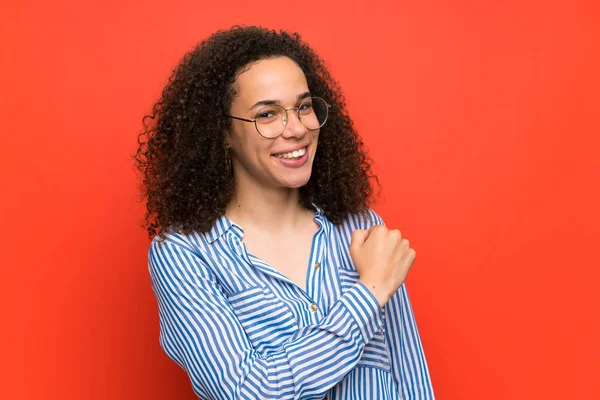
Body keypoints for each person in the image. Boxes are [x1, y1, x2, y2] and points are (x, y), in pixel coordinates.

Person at [134, 25, 435, 400]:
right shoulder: (184, 255)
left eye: (304, 106)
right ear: (222, 132)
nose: (296, 129)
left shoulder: (363, 229)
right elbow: (249, 391)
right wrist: (369, 292)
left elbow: (409, 376)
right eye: (267, 114)